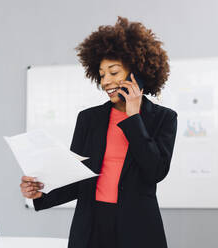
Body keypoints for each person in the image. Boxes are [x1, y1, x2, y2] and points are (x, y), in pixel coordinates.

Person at [19, 16, 177, 248]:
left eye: (114, 72)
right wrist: (40, 195)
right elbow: (77, 178)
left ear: (137, 73)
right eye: (102, 74)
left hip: (138, 228)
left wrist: (133, 117)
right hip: (92, 226)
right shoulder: (89, 119)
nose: (106, 81)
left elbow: (155, 171)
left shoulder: (163, 118)